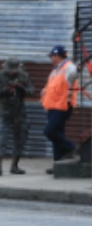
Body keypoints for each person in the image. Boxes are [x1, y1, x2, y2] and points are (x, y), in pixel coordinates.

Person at [0, 57, 35, 177]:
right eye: (9, 70)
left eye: (13, 71)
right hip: (4, 112)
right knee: (1, 139)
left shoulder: (23, 76)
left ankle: (15, 166)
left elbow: (32, 91)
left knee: (20, 139)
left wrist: (21, 88)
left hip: (19, 112)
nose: (11, 73)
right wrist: (3, 91)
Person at [42, 44, 80, 173]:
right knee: (57, 134)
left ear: (59, 56)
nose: (51, 58)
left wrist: (78, 69)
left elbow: (74, 74)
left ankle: (71, 147)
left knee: (49, 131)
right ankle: (58, 164)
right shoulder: (56, 70)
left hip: (62, 106)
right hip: (53, 106)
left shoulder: (68, 67)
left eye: (53, 56)